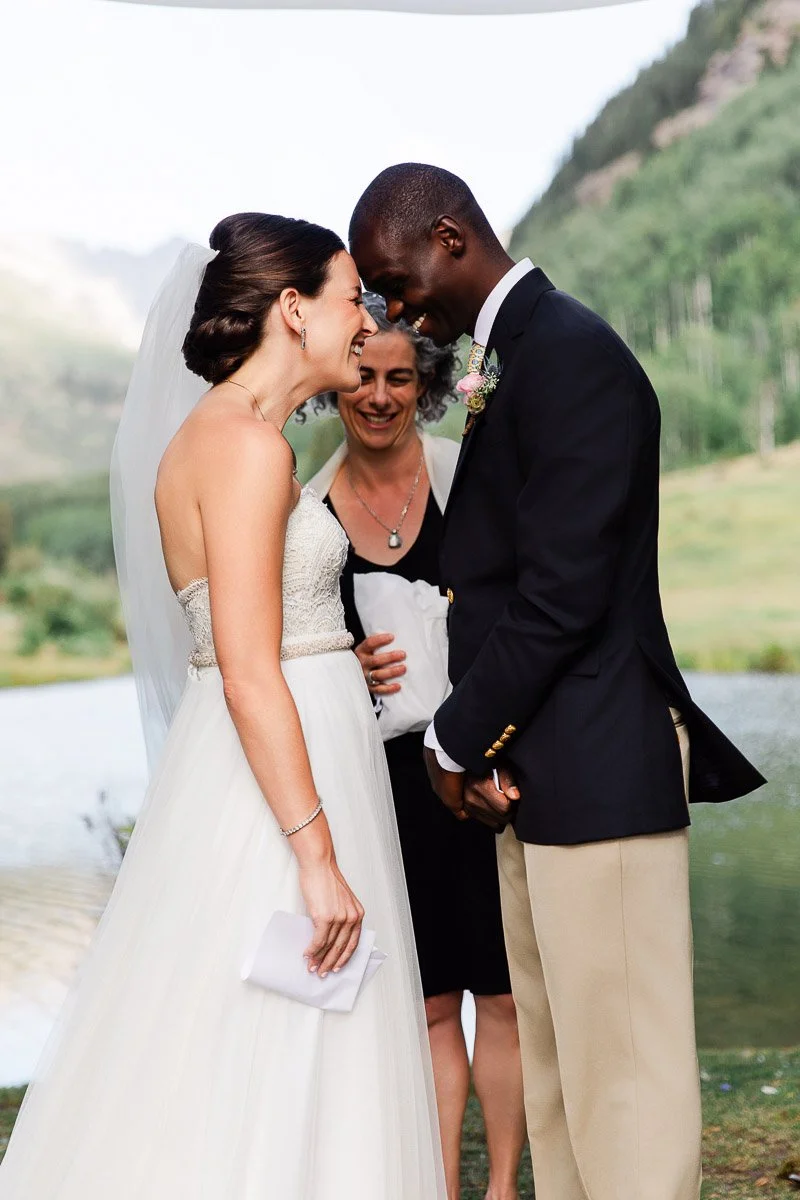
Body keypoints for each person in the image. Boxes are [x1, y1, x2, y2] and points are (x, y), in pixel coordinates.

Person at [0, 214, 446, 1199]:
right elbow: (247, 667)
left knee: (260, 1033)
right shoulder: (245, 449)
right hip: (279, 789)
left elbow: (263, 635)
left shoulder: (219, 440)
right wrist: (318, 857)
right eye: (346, 295)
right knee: (277, 1031)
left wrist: (337, 653)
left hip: (281, 757)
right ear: (293, 311)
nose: (360, 316)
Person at [350, 164, 767, 1200]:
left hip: (596, 764)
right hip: (537, 773)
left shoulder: (571, 356)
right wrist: (484, 750)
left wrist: (451, 739)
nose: (391, 306)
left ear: (448, 237)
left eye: (392, 277)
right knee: (561, 1080)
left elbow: (562, 596)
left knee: (622, 1080)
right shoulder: (515, 357)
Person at [308, 292, 527, 1200]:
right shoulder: (307, 514)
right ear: (338, 384)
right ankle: (441, 1189)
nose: (380, 395)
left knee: (505, 995)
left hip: (482, 763)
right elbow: (294, 650)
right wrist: (341, 665)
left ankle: (505, 1185)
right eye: (363, 375)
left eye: (402, 377)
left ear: (429, 386)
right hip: (385, 786)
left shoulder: (463, 476)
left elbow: (522, 612)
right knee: (431, 1000)